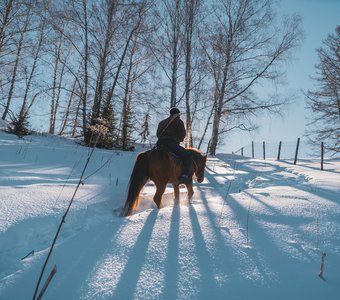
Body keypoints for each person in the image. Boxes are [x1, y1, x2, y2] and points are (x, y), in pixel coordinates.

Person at [156, 107, 192, 183]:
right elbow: (182, 135)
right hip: (171, 144)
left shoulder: (162, 122)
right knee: (187, 156)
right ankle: (184, 175)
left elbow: (157, 134)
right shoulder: (179, 121)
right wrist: (179, 139)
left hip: (159, 144)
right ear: (178, 114)